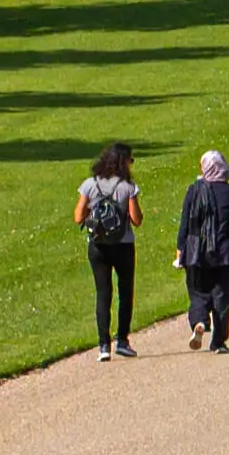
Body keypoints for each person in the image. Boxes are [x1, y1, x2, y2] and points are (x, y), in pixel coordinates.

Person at [176, 148, 229, 350]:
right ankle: (218, 341)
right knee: (223, 297)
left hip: (196, 254)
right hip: (226, 254)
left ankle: (200, 322)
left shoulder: (193, 190)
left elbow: (184, 224)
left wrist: (180, 250)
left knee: (198, 294)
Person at [76, 140, 142, 360]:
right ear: (123, 162)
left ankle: (103, 346)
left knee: (103, 295)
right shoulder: (128, 187)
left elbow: (78, 217)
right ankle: (122, 341)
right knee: (125, 293)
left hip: (97, 247)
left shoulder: (89, 184)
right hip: (123, 245)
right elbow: (136, 219)